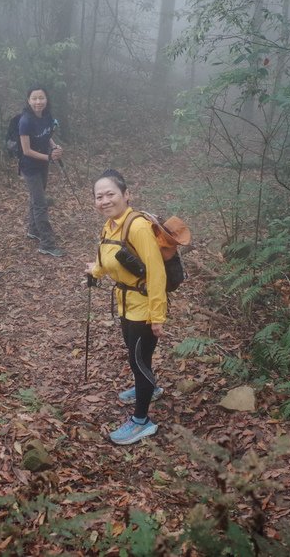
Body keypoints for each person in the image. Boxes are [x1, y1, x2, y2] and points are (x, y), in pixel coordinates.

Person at [84, 169, 166, 445]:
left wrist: (157, 316)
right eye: (99, 196)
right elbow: (108, 258)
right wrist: (94, 273)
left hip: (143, 307)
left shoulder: (138, 226)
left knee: (138, 360)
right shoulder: (110, 224)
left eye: (111, 194)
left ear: (126, 195)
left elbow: (156, 272)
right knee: (137, 355)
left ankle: (142, 421)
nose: (104, 200)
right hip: (126, 304)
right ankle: (148, 387)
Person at [17, 86, 64, 257]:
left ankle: (33, 230)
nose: (38, 102)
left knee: (36, 199)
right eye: (34, 98)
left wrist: (54, 146)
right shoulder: (25, 121)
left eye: (41, 98)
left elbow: (47, 135)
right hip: (30, 168)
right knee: (40, 204)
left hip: (43, 164)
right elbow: (26, 150)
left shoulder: (47, 116)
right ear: (28, 100)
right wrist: (49, 157)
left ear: (46, 99)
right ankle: (47, 243)